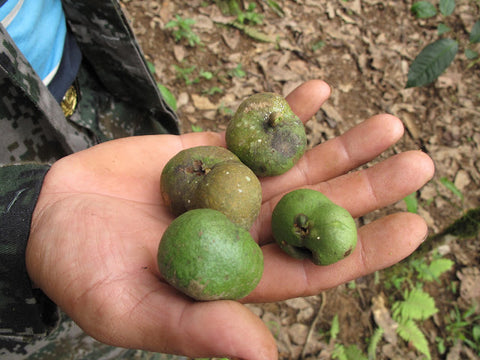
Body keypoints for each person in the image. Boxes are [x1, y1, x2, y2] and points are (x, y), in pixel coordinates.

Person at [0, 1, 435, 359]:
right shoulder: (213, 200)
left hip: (80, 66)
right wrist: (29, 218)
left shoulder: (235, 183)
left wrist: (33, 211)